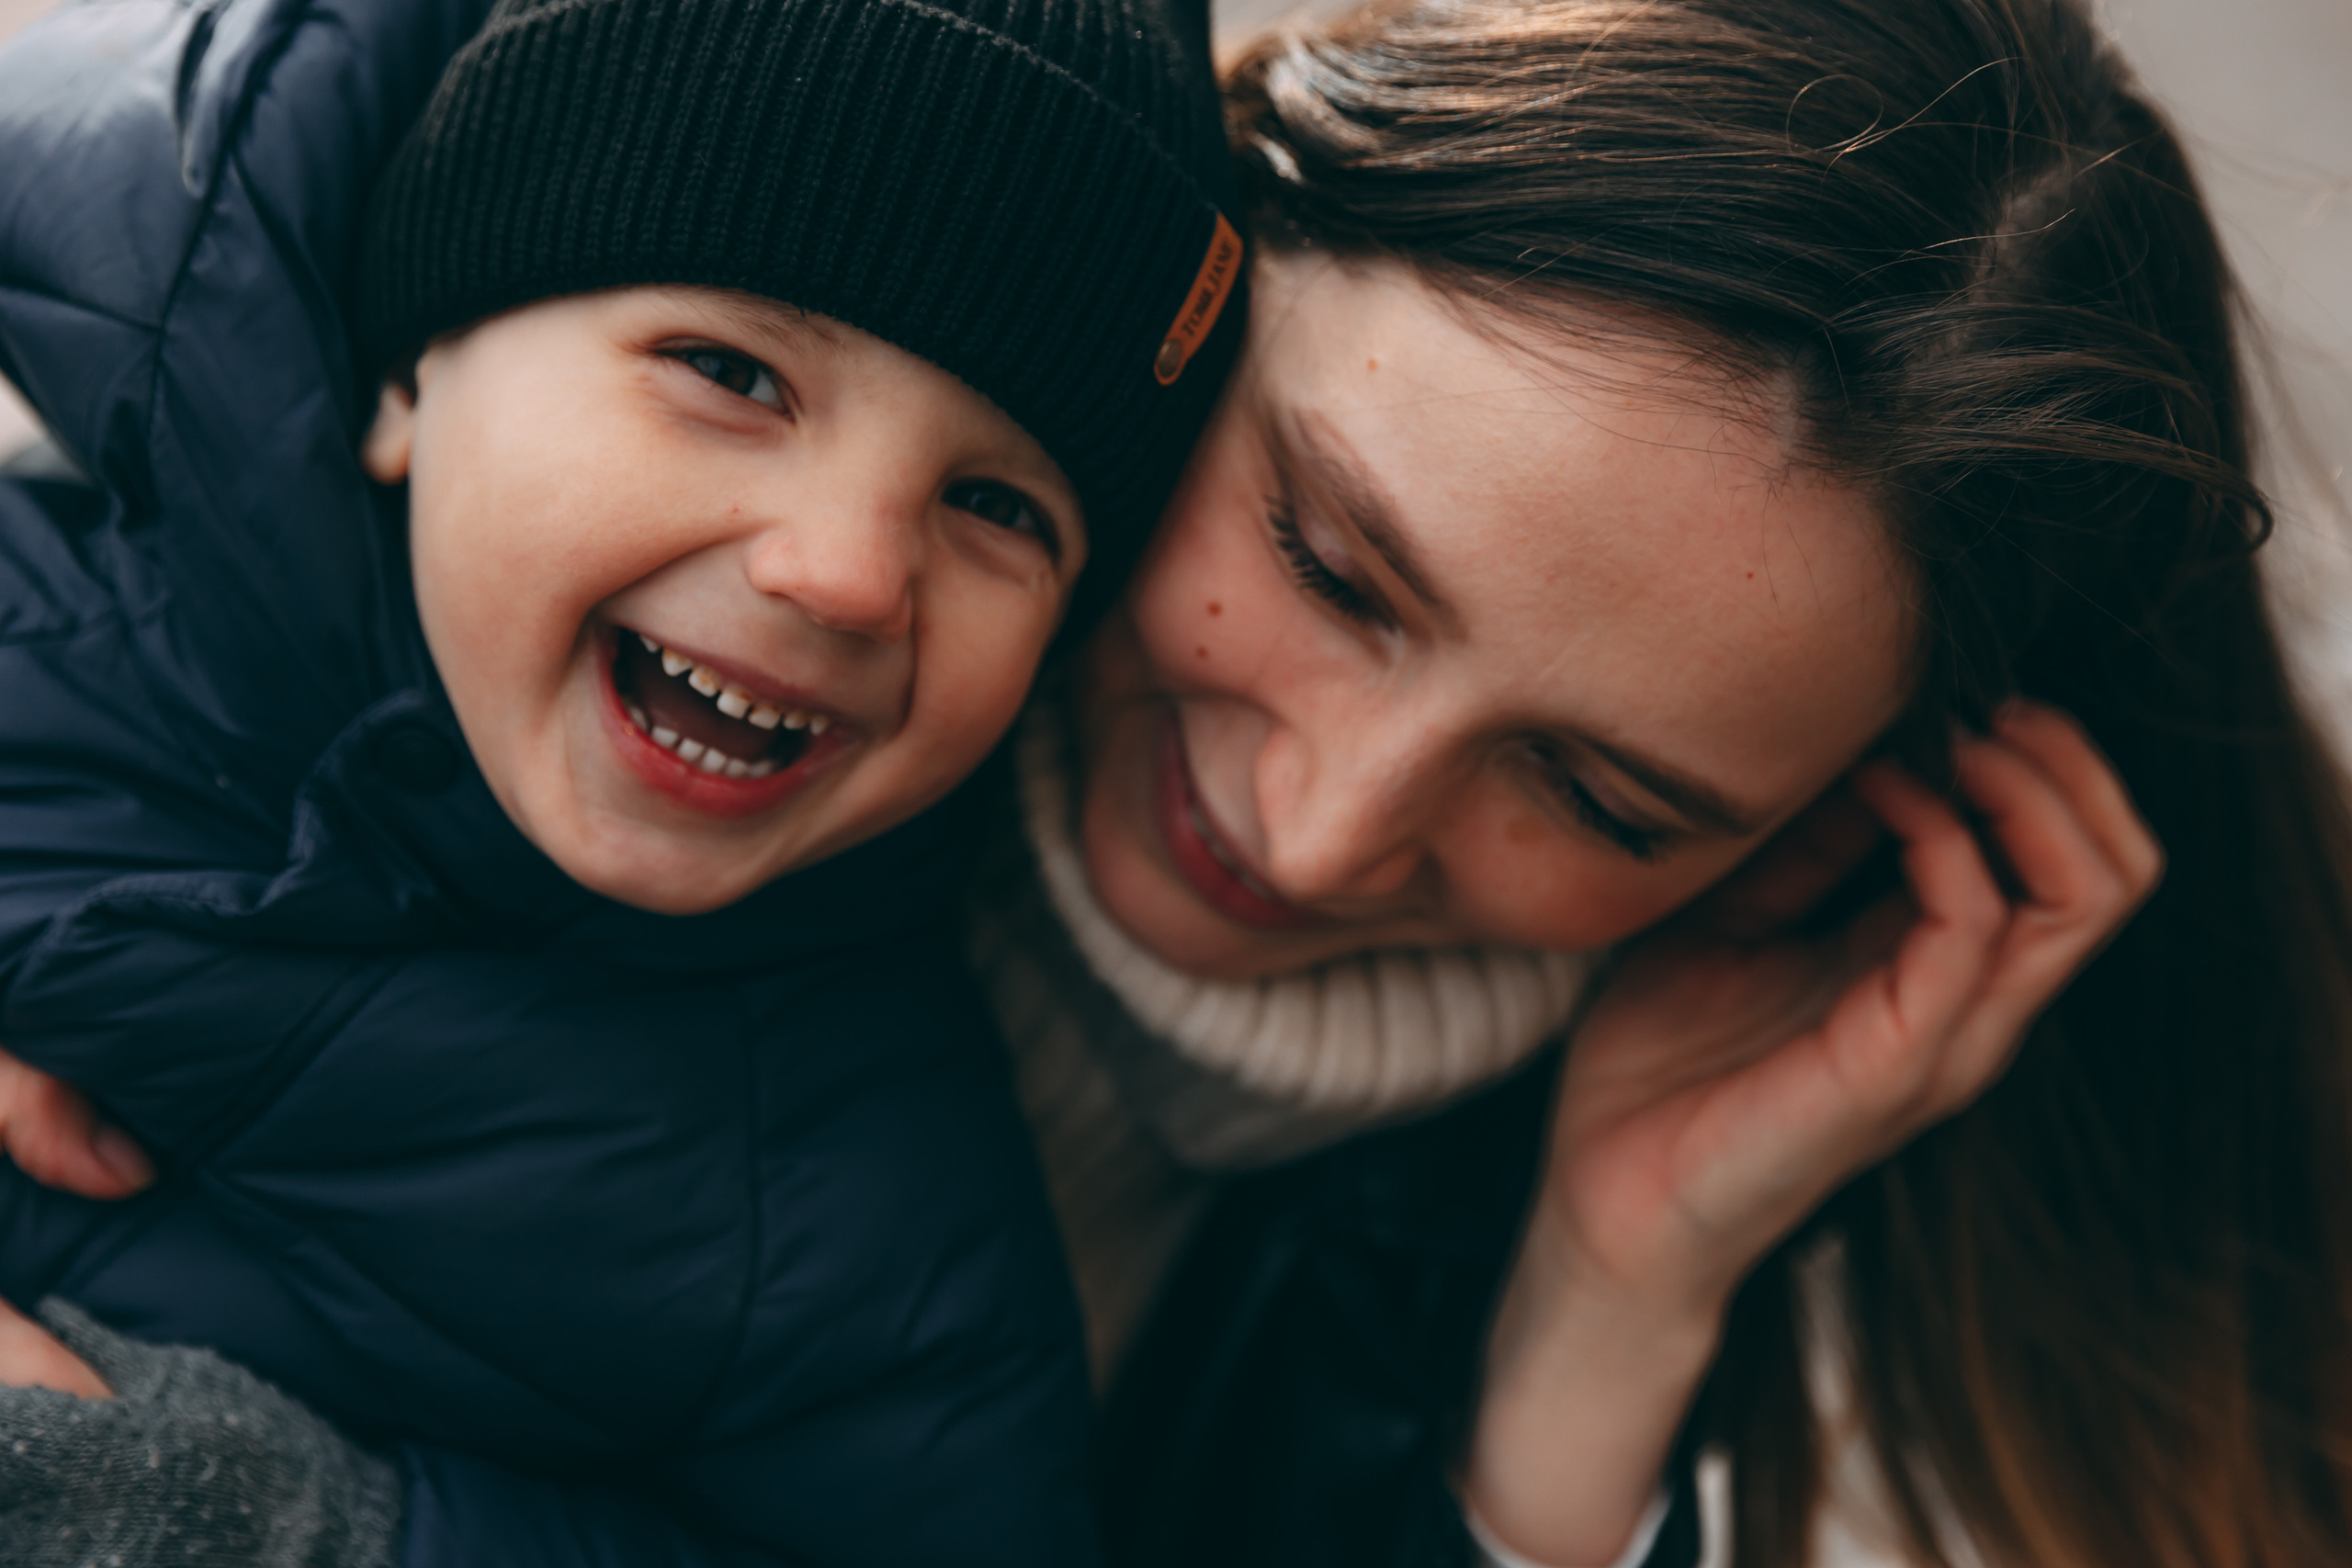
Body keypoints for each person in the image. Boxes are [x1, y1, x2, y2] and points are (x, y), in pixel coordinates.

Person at [3, 0, 2348, 1563]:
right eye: (1330, 564)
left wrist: (1592, 1325)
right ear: (1185, 271)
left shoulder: (1611, 1231)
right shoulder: (354, 517)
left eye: (1602, 800)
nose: (1316, 830)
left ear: (1815, 821)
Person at [0, 0, 1242, 1561]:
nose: (852, 574)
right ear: (409, 377)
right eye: (731, 371)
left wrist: (268, 1520)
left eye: (998, 505)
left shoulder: (873, 1226)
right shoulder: (38, 619)